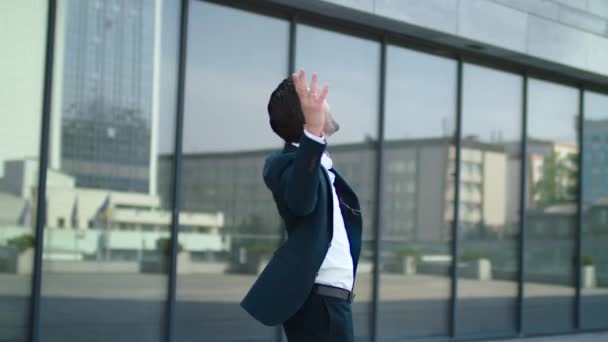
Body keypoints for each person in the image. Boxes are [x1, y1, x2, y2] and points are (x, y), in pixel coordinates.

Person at [241, 70, 363, 341]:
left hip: (331, 301)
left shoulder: (317, 164)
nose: (323, 99)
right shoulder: (287, 165)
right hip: (320, 303)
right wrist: (313, 133)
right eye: (313, 98)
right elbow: (302, 201)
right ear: (304, 114)